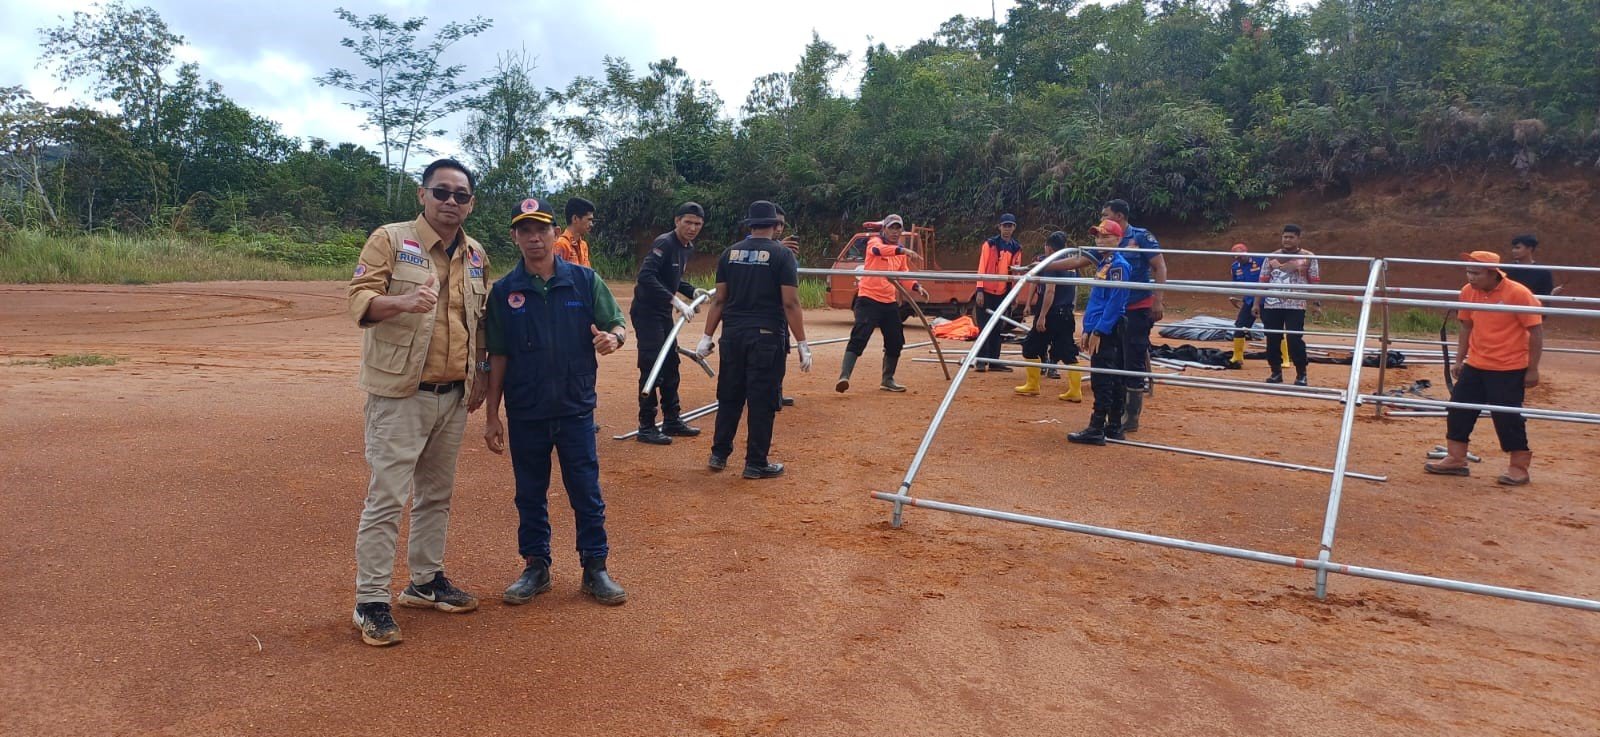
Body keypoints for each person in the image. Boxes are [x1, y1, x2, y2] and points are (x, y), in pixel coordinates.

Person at [346, 158, 491, 647]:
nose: (451, 202)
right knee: (387, 497)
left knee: (437, 495)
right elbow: (359, 298)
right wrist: (401, 303)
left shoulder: (475, 254)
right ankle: (370, 601)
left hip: (452, 394)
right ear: (422, 194)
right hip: (401, 394)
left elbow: (481, 323)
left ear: (471, 203)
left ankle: (425, 582)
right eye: (442, 192)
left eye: (461, 195)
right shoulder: (390, 239)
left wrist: (482, 378)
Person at [483, 196, 628, 606]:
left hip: (575, 408)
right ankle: (536, 566)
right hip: (526, 410)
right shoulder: (505, 292)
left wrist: (613, 338)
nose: (534, 238)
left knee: (585, 489)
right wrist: (492, 414)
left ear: (553, 232)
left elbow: (617, 323)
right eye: (525, 231)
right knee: (529, 492)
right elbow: (498, 356)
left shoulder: (584, 281)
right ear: (515, 237)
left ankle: (595, 567)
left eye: (541, 229)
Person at [695, 201, 811, 479]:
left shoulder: (729, 254)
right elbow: (790, 303)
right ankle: (755, 462)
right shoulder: (782, 255)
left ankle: (719, 454)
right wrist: (803, 344)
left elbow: (719, 299)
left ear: (750, 224)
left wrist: (706, 336)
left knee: (729, 396)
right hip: (766, 338)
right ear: (775, 225)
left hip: (732, 336)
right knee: (762, 401)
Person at [1424, 251, 1544, 485]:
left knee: (1507, 417)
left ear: (1493, 273)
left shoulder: (1518, 293)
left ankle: (1518, 467)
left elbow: (1536, 331)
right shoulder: (1468, 292)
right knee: (1459, 409)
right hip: (1476, 364)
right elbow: (1466, 327)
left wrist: (1532, 369)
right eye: (1468, 271)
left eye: (1476, 273)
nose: (1471, 277)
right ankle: (1456, 458)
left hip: (1508, 367)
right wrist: (1459, 360)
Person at [632, 202, 707, 445]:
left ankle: (672, 419)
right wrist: (676, 300)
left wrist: (691, 290)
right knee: (652, 364)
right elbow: (646, 276)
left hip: (663, 313)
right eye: (688, 222)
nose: (692, 228)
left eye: (697, 224)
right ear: (677, 221)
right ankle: (646, 425)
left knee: (671, 363)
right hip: (646, 312)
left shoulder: (687, 247)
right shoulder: (664, 243)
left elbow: (673, 277)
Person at [836, 214, 927, 393]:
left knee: (896, 340)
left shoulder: (899, 252)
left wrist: (916, 286)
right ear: (884, 229)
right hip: (868, 299)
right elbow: (878, 251)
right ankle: (844, 376)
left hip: (888, 301)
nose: (895, 232)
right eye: (891, 228)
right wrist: (903, 251)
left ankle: (887, 379)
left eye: (898, 228)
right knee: (860, 335)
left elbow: (903, 275)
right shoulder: (874, 243)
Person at [1101, 199, 1167, 432]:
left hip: (1139, 307)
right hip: (1117, 308)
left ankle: (1132, 416)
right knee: (1117, 358)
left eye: (1106, 215)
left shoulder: (1140, 237)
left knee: (1134, 359)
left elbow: (1159, 267)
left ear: (1118, 216)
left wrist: (1158, 300)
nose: (1102, 219)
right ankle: (1116, 412)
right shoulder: (1109, 239)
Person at [1068, 220, 1133, 446]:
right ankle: (1113, 426)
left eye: (1106, 237)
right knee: (1110, 377)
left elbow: (1116, 301)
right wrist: (1088, 328)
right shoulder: (1105, 263)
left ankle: (1097, 427)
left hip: (1108, 327)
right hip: (1101, 325)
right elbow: (1099, 299)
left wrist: (1099, 330)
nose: (1100, 241)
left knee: (1103, 378)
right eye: (1098, 237)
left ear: (1118, 239)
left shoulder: (1118, 265)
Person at [1014, 231, 1083, 401]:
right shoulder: (1071, 264)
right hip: (1067, 313)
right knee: (1068, 352)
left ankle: (1033, 385)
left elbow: (1050, 290)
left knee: (1030, 346)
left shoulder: (1053, 264)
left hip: (1052, 313)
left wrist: (1042, 315)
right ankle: (1075, 390)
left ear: (1049, 247)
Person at [1254, 224, 1320, 386]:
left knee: (1294, 339)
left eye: (1291, 237)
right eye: (1285, 237)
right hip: (1272, 303)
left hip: (1295, 304)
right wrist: (1256, 303)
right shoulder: (1271, 257)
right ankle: (1276, 372)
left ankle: (1301, 374)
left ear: (1298, 238)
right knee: (1272, 338)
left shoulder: (1308, 257)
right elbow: (1263, 280)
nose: (1287, 240)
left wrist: (1316, 303)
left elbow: (1314, 280)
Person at [973, 213, 1022, 373]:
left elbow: (1015, 273)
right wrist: (979, 290)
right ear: (999, 227)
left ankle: (994, 361)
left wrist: (1014, 294)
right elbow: (981, 267)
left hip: (1002, 293)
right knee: (983, 327)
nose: (1007, 229)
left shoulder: (1016, 248)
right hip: (986, 292)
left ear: (1014, 227)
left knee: (997, 329)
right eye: (1005, 226)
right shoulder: (990, 244)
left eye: (1010, 226)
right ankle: (981, 361)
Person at [775, 203, 801, 408]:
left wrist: (788, 256)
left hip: (780, 311)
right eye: (775, 223)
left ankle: (776, 391)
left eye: (782, 224)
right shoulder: (750, 244)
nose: (779, 228)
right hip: (759, 312)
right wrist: (779, 250)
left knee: (781, 351)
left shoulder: (785, 251)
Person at [1227, 243, 1265, 368]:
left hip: (1266, 300)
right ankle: (1237, 356)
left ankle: (1283, 357)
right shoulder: (1235, 267)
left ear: (1246, 252)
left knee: (1273, 327)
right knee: (1239, 326)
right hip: (1249, 301)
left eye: (1240, 256)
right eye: (1235, 257)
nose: (1238, 259)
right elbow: (1236, 284)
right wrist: (1233, 296)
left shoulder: (1260, 261)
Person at [553, 197, 594, 268]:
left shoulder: (583, 245)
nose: (591, 224)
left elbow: (588, 274)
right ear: (575, 218)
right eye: (589, 219)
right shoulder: (561, 244)